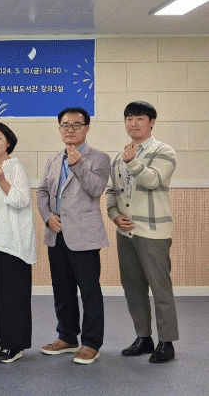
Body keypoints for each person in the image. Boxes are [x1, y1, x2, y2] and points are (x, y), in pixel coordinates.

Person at [106, 101, 178, 363]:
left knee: (160, 289)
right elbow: (111, 191)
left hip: (153, 232)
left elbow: (153, 180)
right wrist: (115, 216)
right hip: (126, 233)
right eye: (129, 119)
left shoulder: (163, 151)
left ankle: (166, 342)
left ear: (152, 122)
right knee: (133, 288)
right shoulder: (119, 155)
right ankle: (143, 337)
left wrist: (133, 163)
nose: (133, 123)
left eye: (139, 118)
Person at [36, 107, 110, 365]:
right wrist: (47, 216)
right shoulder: (53, 159)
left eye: (76, 124)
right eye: (65, 125)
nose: (70, 129)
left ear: (87, 128)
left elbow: (96, 189)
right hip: (56, 233)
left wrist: (77, 164)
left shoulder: (99, 158)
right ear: (60, 129)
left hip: (84, 235)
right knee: (62, 289)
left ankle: (91, 343)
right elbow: (42, 192)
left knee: (89, 291)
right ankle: (67, 337)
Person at [0, 123, 37, 364]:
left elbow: (22, 200)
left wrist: (2, 180)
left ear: (8, 141)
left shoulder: (15, 167)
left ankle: (15, 345)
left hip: (13, 243)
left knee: (13, 295)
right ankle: (2, 339)